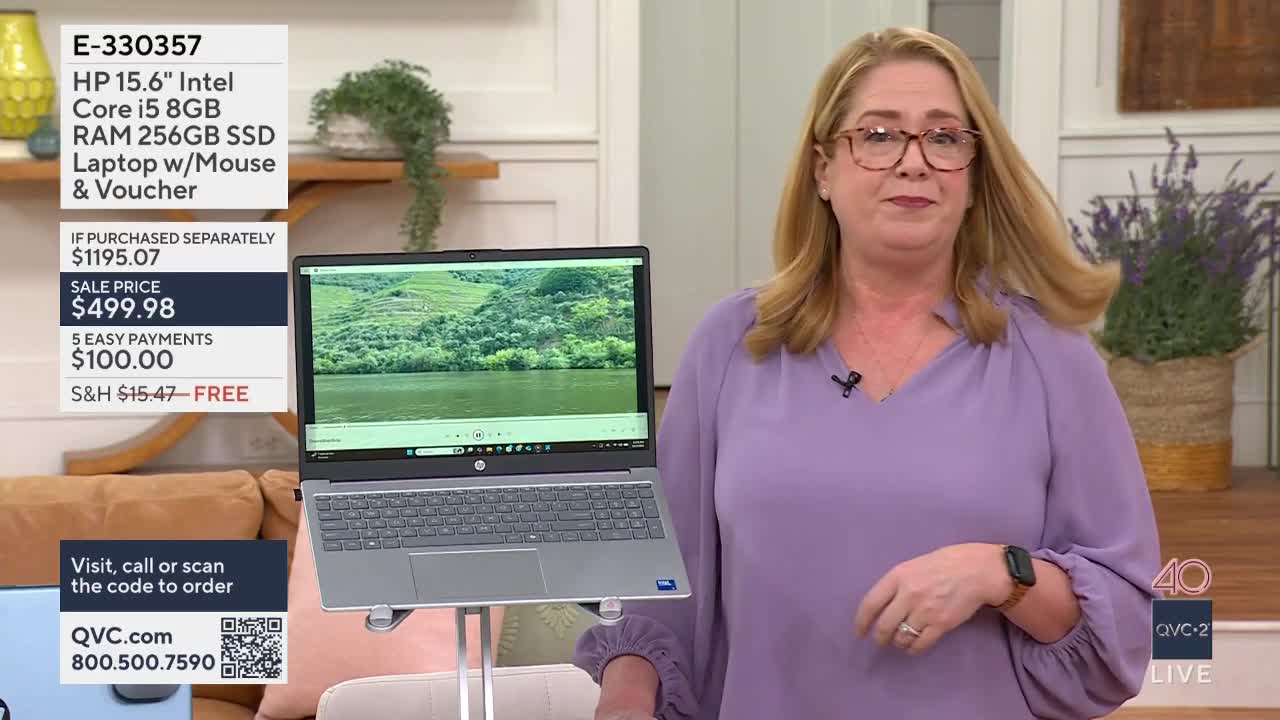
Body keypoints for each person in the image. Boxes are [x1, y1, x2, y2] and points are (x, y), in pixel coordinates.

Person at [572, 25, 1163, 720]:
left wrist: (998, 573)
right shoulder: (732, 344)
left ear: (973, 177)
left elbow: (1123, 629)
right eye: (879, 135)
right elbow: (658, 600)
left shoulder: (1052, 359)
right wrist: (624, 697)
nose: (913, 162)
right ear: (823, 168)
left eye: (944, 138)